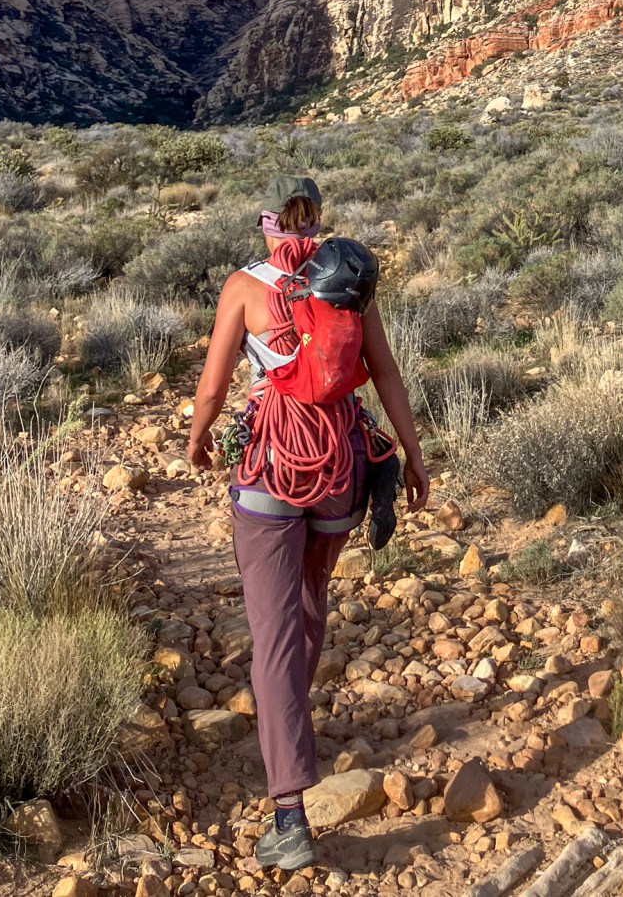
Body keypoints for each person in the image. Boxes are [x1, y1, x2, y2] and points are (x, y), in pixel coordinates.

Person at [187, 174, 429, 870]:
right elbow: (386, 374)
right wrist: (413, 456)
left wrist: (198, 438)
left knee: (272, 635)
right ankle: (289, 717)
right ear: (318, 221)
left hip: (272, 467)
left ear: (267, 224)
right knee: (308, 606)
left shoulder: (244, 287)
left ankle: (289, 813)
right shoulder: (347, 279)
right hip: (339, 468)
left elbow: (213, 386)